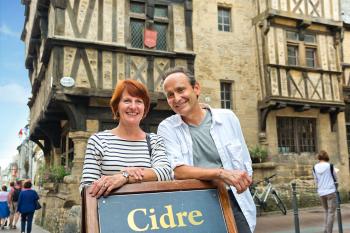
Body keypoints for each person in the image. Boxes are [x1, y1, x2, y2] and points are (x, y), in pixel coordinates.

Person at [157, 66, 256, 233]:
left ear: (196, 88)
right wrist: (221, 173)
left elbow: (245, 162)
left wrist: (243, 179)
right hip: (194, 204)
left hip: (234, 201)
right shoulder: (167, 128)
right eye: (170, 95)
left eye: (181, 90)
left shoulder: (228, 118)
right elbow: (177, 171)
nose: (177, 98)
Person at [80, 79, 172, 198]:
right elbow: (87, 189)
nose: (133, 107)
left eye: (139, 101)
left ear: (145, 108)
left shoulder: (154, 141)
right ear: (117, 106)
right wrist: (125, 175)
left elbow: (165, 173)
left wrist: (125, 177)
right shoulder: (98, 141)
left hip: (148, 213)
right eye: (127, 101)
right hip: (109, 213)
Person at [312, 150, 337, 233]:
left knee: (326, 211)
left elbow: (316, 181)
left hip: (321, 192)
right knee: (331, 213)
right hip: (330, 191)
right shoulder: (330, 166)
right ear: (326, 157)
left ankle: (325, 229)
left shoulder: (314, 167)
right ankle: (329, 231)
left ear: (319, 157)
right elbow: (335, 178)